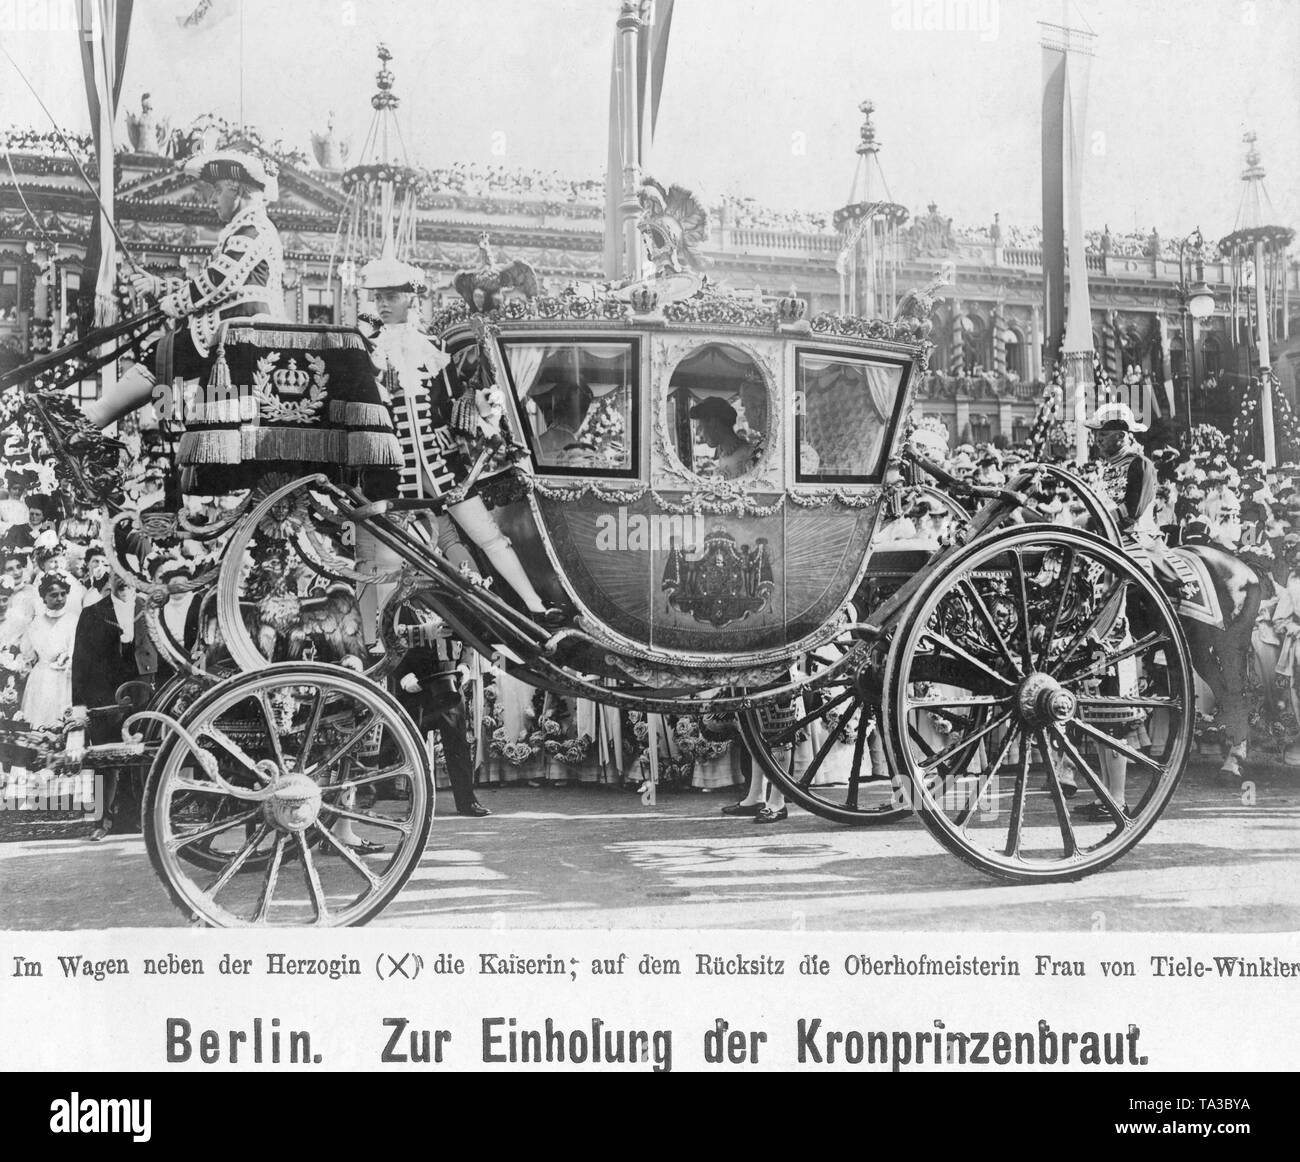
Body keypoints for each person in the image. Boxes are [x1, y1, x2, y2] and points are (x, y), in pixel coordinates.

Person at [355, 255, 563, 632]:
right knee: (387, 558)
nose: (382, 304)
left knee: (490, 537)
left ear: (410, 299)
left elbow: (450, 405)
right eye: (378, 298)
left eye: (390, 296)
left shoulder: (432, 348)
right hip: (392, 473)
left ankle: (533, 607)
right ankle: (384, 635)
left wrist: (484, 406)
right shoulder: (369, 351)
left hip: (441, 465)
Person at [84, 147, 285, 429]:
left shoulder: (252, 229)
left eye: (217, 190)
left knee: (161, 354)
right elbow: (205, 283)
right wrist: (159, 285)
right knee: (164, 358)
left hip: (236, 331)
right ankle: (160, 419)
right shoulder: (246, 229)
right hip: (230, 328)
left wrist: (170, 304)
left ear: (236, 189)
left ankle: (100, 418)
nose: (212, 199)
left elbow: (216, 282)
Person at [1086, 402, 1186, 602]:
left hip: (1137, 537)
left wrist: (1098, 521)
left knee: (1126, 586)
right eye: (1096, 434)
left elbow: (1132, 511)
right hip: (1107, 535)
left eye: (1102, 435)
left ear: (1121, 436)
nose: (1096, 440)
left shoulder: (1140, 464)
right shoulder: (1107, 467)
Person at [20, 572, 78, 727]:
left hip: (66, 676)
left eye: (63, 594)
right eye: (53, 595)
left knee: (64, 720)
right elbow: (28, 653)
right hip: (42, 677)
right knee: (40, 719)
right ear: (44, 597)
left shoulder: (73, 620)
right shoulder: (36, 624)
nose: (59, 599)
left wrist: (68, 658)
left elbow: (76, 649)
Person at [690, 397, 755, 480]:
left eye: (701, 427)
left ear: (713, 423)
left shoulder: (748, 455)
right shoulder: (723, 454)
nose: (700, 434)